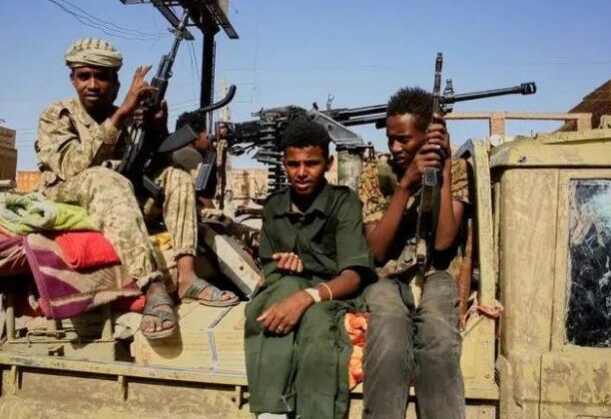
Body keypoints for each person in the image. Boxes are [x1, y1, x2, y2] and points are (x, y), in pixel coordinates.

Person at [35, 38, 236, 340]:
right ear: (72, 79)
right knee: (105, 178)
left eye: (102, 77)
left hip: (121, 199)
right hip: (70, 194)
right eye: (84, 76)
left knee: (176, 176)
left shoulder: (131, 118)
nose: (93, 85)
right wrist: (119, 117)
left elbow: (151, 168)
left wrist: (156, 129)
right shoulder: (57, 115)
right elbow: (71, 166)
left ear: (116, 83)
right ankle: (153, 286)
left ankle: (187, 276)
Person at [244, 116, 375, 419]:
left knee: (317, 325)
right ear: (284, 164)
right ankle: (272, 411)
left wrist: (309, 294)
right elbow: (269, 269)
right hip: (286, 288)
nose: (302, 173)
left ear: (328, 163)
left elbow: (353, 274)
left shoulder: (344, 203)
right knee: (277, 302)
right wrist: (288, 272)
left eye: (311, 164)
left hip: (332, 295)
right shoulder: (275, 206)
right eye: (293, 164)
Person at [359, 86, 470, 418]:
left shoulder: (457, 170)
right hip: (390, 275)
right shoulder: (376, 173)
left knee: (438, 335)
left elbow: (444, 242)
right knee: (388, 333)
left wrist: (443, 172)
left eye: (404, 140)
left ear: (427, 137)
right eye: (390, 139)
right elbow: (377, 250)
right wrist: (406, 184)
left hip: (437, 272)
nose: (395, 147)